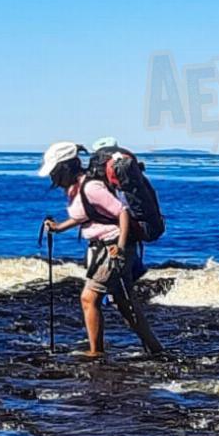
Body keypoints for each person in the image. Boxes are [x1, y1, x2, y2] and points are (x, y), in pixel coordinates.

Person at [37, 140, 164, 358]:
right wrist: (59, 227)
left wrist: (121, 248)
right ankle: (156, 350)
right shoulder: (78, 189)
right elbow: (85, 215)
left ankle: (96, 352)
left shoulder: (91, 187)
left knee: (89, 298)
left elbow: (121, 212)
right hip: (105, 248)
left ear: (66, 168)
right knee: (124, 304)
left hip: (112, 247)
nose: (53, 180)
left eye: (54, 173)